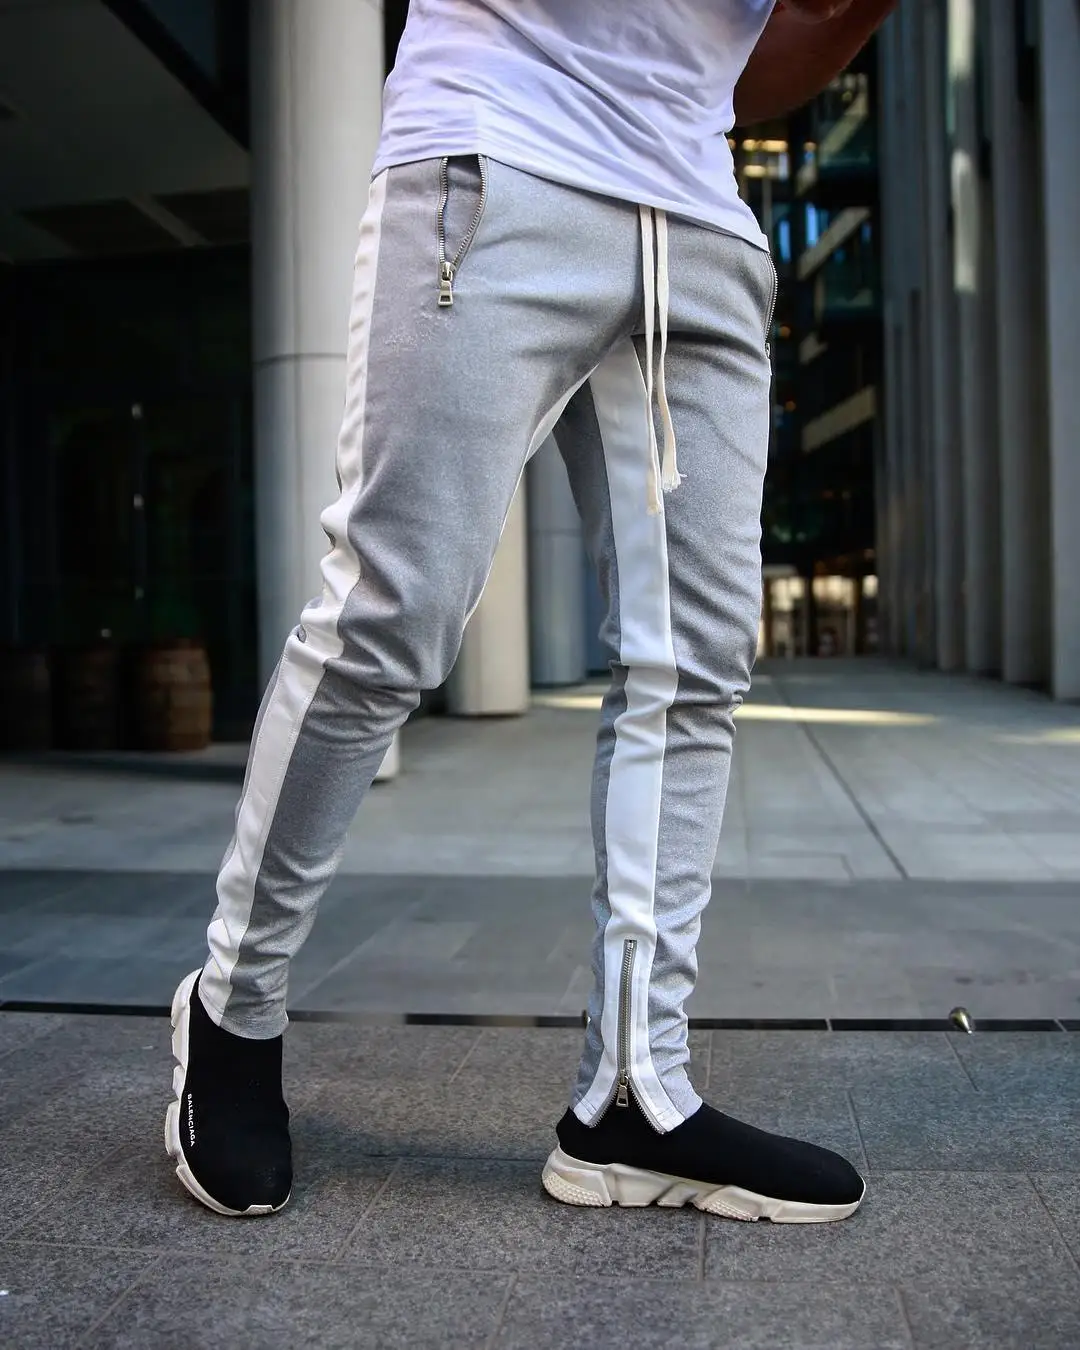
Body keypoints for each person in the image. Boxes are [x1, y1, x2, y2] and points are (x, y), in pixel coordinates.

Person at [165, 0, 896, 1222]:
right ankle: (233, 1004)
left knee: (693, 668)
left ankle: (633, 1094)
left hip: (697, 221)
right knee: (390, 618)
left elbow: (743, 65)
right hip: (503, 155)